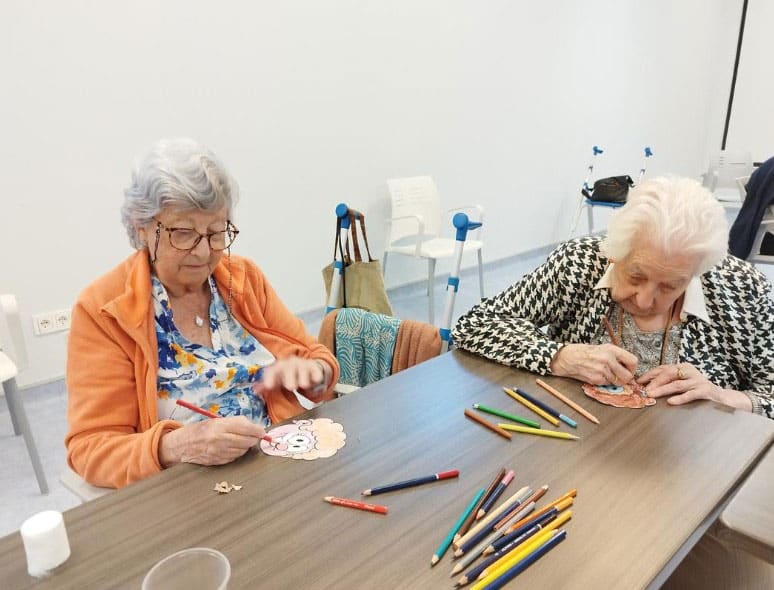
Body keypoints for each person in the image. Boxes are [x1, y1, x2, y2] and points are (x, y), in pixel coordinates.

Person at [66, 138, 339, 488]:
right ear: (141, 228)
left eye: (215, 233)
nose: (203, 252)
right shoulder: (102, 310)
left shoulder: (243, 279)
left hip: (281, 460)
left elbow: (318, 359)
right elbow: (91, 449)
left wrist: (312, 373)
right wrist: (175, 446)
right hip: (189, 489)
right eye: (183, 233)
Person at [452, 176, 773, 420]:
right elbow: (476, 324)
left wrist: (726, 397)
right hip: (580, 446)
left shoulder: (741, 289)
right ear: (613, 253)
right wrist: (558, 355)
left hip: (692, 466)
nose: (646, 301)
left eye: (670, 286)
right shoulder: (580, 263)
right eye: (636, 276)